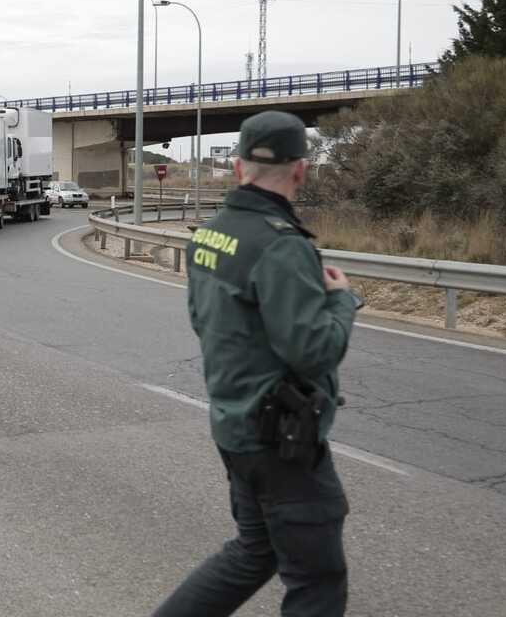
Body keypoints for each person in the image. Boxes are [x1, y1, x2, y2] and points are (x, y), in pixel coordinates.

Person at [152, 110, 361, 617]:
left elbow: (204, 320)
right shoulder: (280, 247)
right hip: (282, 442)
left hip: (234, 426)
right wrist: (341, 301)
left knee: (254, 553)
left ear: (240, 166)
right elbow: (311, 351)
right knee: (318, 580)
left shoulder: (210, 234)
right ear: (301, 170)